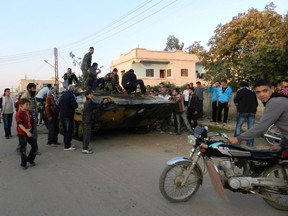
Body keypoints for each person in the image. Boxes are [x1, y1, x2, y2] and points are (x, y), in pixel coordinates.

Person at [228, 79, 288, 150]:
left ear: (272, 89)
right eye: (258, 92)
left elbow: (262, 126)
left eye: (265, 91)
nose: (261, 94)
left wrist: (238, 139)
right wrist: (282, 145)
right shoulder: (280, 99)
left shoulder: (274, 102)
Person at [233, 81, 258, 147]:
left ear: (241, 86)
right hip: (252, 112)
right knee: (251, 128)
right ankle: (250, 143)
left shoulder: (240, 91)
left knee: (239, 126)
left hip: (242, 111)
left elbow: (235, 100)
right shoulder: (252, 92)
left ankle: (237, 142)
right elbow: (256, 103)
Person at [15, 98, 37, 169]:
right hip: (22, 133)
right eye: (26, 104)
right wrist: (27, 132)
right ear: (21, 105)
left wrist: (32, 130)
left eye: (28, 104)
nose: (28, 106)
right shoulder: (18, 114)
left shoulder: (29, 112)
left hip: (30, 132)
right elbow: (20, 124)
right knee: (23, 149)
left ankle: (30, 160)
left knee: (35, 146)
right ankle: (23, 164)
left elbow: (31, 121)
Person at [21, 83, 40, 155]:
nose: (35, 90)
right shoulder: (24, 96)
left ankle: (35, 150)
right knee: (24, 136)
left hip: (34, 118)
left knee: (35, 134)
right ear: (29, 89)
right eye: (33, 88)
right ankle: (21, 148)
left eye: (35, 88)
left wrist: (36, 115)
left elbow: (35, 106)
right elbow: (22, 109)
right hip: (27, 119)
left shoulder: (33, 95)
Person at [58, 85, 78, 151]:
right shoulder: (71, 96)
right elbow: (75, 105)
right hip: (68, 115)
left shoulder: (63, 95)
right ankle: (67, 146)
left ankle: (67, 143)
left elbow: (59, 104)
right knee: (68, 130)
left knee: (65, 130)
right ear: (73, 90)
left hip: (63, 114)